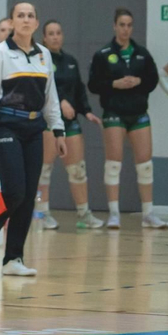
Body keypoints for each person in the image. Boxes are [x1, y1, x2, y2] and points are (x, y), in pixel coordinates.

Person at [0, 2, 65, 277]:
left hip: (34, 129)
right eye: (20, 15)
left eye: (30, 16)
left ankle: (13, 259)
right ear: (12, 22)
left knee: (27, 197)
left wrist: (58, 130)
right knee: (14, 191)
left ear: (36, 23)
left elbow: (51, 97)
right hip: (5, 127)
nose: (25, 20)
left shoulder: (44, 55)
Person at [87, 8, 165, 229]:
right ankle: (114, 214)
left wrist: (139, 82)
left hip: (138, 113)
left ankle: (148, 214)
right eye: (122, 25)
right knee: (113, 164)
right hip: (114, 113)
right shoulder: (103, 54)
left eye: (129, 25)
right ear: (114, 26)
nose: (126, 29)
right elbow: (93, 84)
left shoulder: (142, 53)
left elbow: (152, 79)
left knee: (145, 164)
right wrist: (114, 84)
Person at [39, 20, 104, 230]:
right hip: (48, 122)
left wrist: (86, 111)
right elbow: (40, 91)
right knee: (44, 170)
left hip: (70, 123)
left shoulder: (71, 61)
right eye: (51, 33)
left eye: (58, 32)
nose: (55, 37)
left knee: (77, 169)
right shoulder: (39, 61)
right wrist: (60, 103)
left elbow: (78, 90)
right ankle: (42, 214)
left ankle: (84, 214)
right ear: (44, 38)